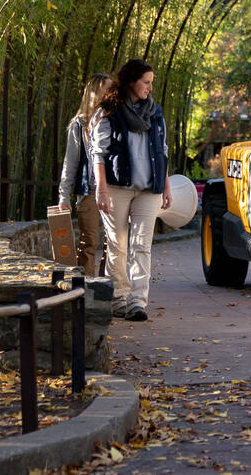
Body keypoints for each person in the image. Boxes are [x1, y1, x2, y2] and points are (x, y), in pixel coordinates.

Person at [91, 59, 171, 322]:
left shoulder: (155, 113)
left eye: (151, 82)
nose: (150, 87)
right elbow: (98, 154)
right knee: (118, 245)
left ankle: (138, 301)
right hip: (117, 187)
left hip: (149, 189)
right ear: (131, 82)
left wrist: (166, 185)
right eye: (146, 82)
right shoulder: (108, 112)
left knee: (142, 245)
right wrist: (101, 189)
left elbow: (163, 151)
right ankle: (119, 300)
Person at [58, 73, 112, 274]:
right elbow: (70, 163)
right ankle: (87, 291)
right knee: (88, 242)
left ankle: (108, 290)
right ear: (96, 93)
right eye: (108, 89)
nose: (112, 93)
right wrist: (63, 196)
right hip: (88, 190)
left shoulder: (116, 120)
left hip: (112, 190)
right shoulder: (79, 125)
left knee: (112, 245)